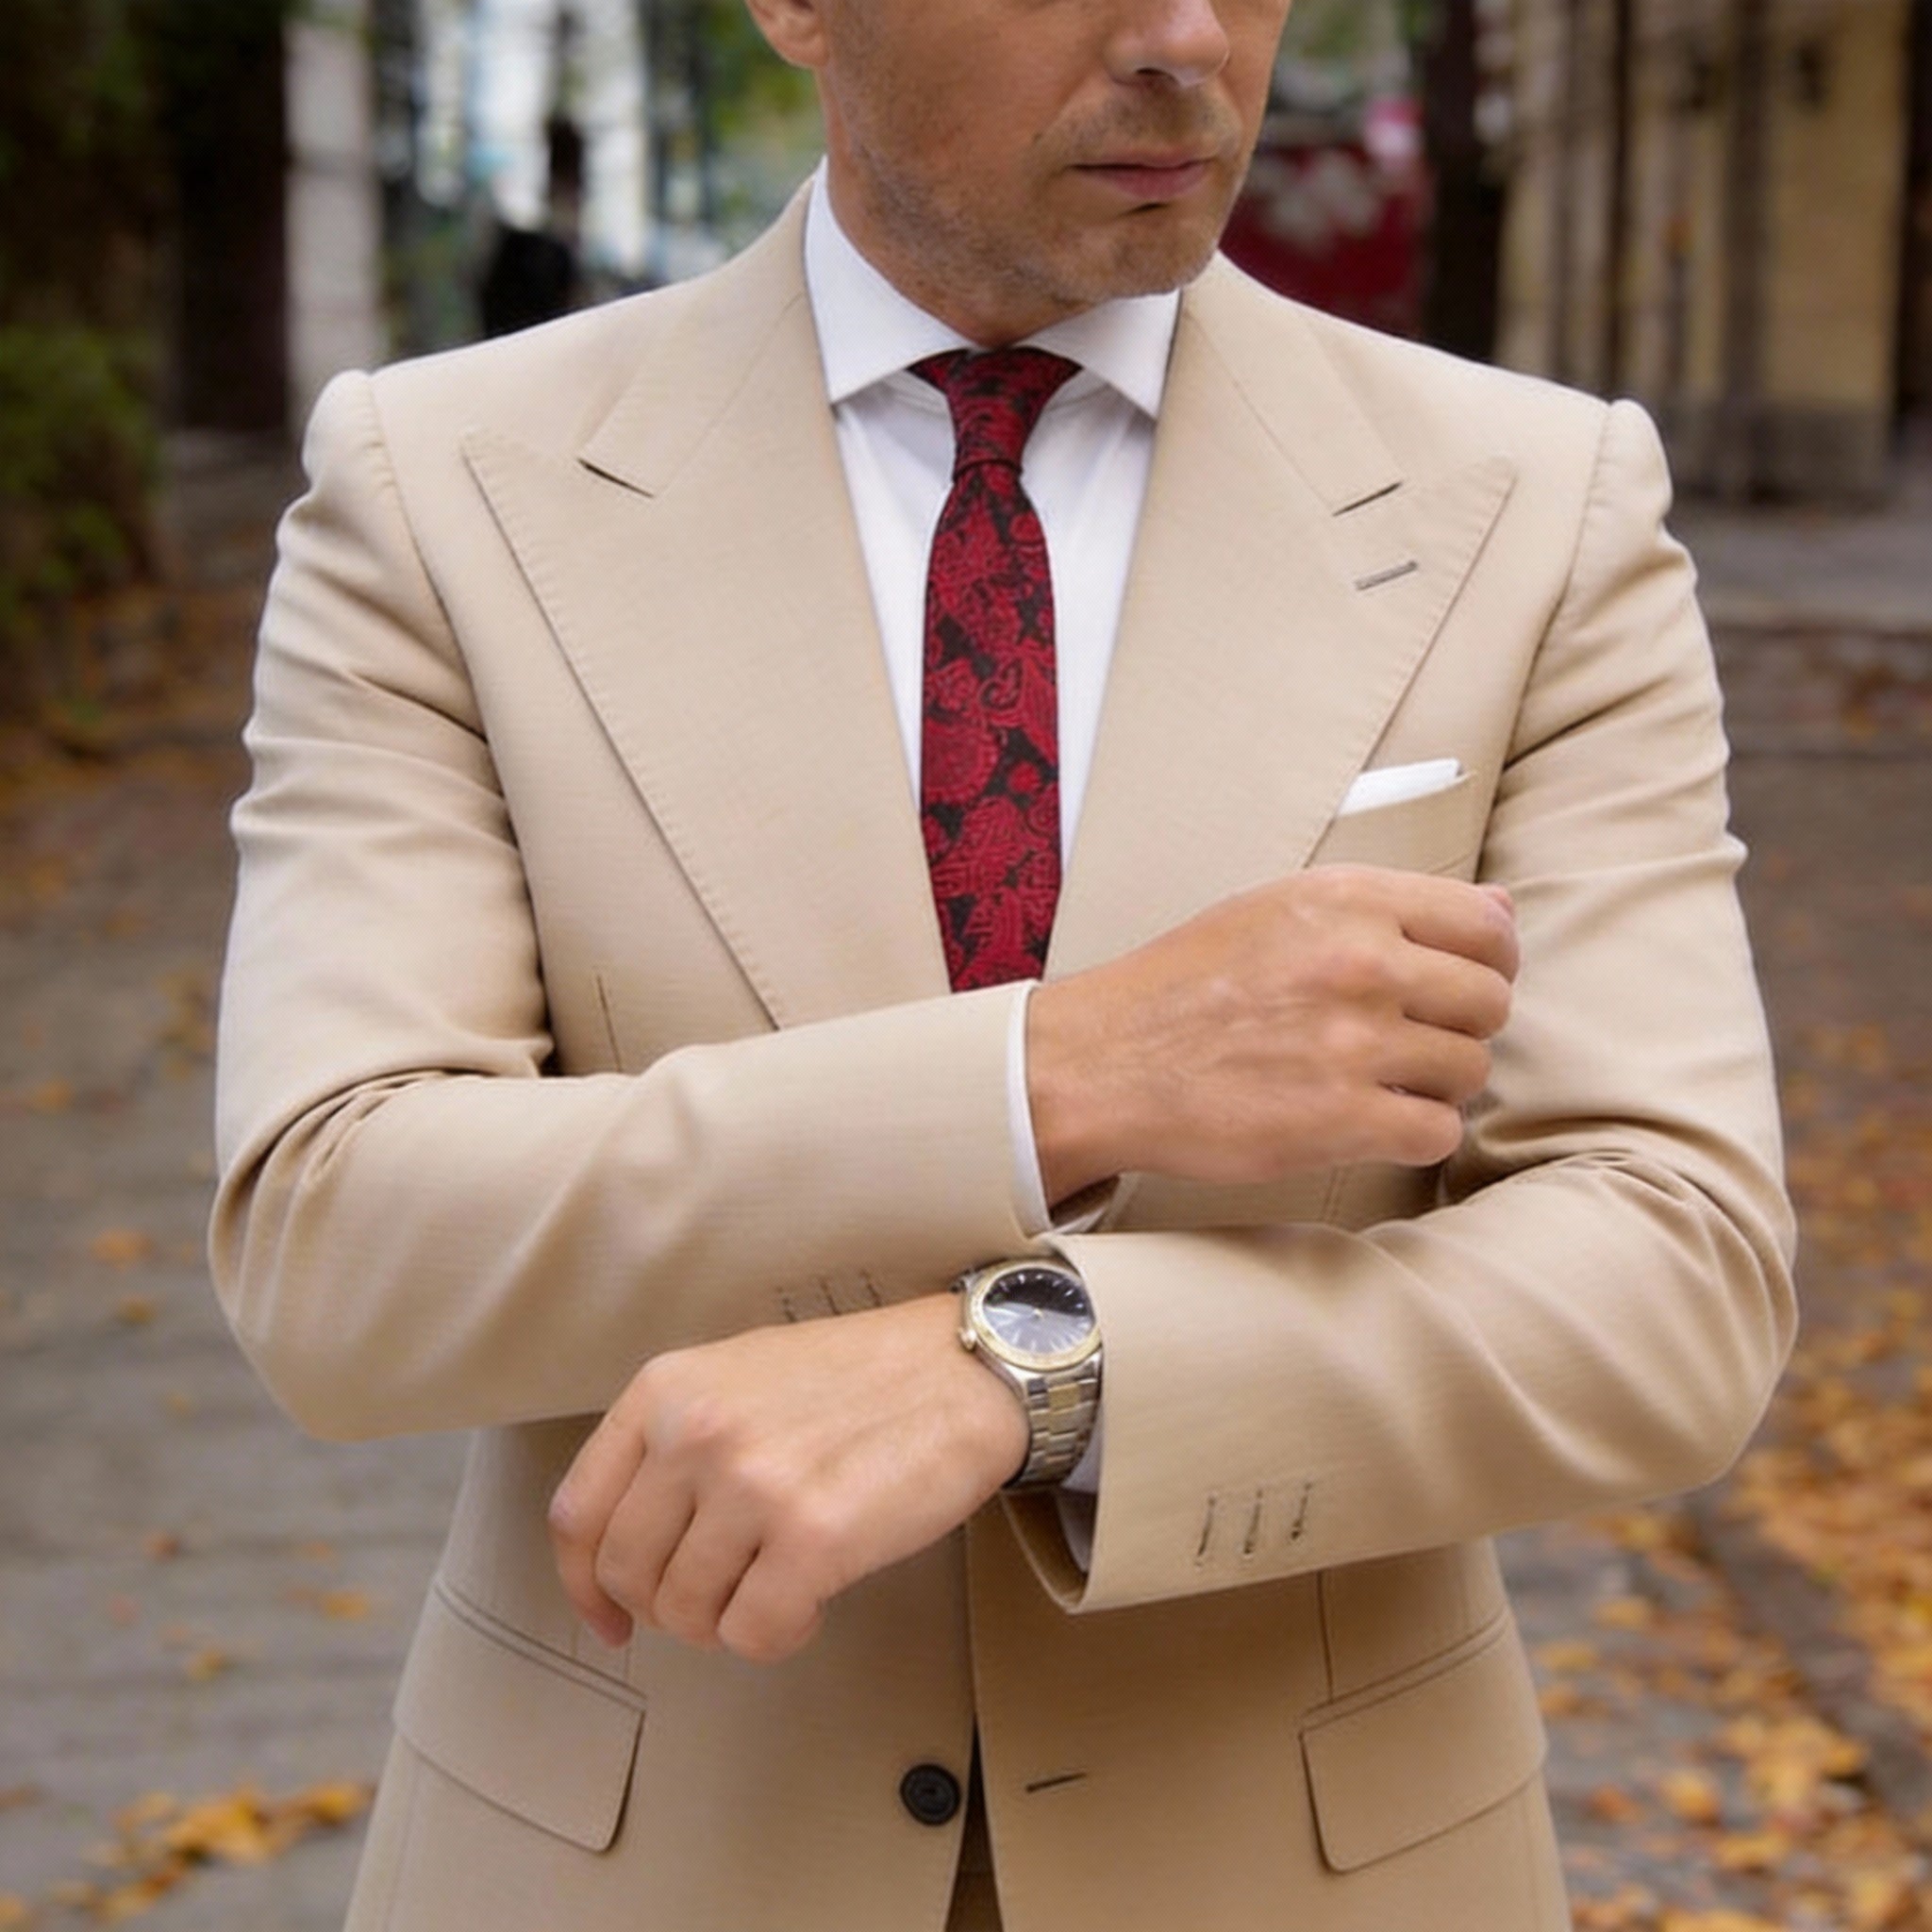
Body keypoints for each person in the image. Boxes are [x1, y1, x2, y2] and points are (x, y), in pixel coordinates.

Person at [209, 0, 1796, 1926]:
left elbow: (1670, 1273)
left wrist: (1030, 1372)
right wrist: (1059, 1072)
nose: (1186, 35)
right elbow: (336, 1239)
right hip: (634, 1861)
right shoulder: (442, 487)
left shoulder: (1534, 506)